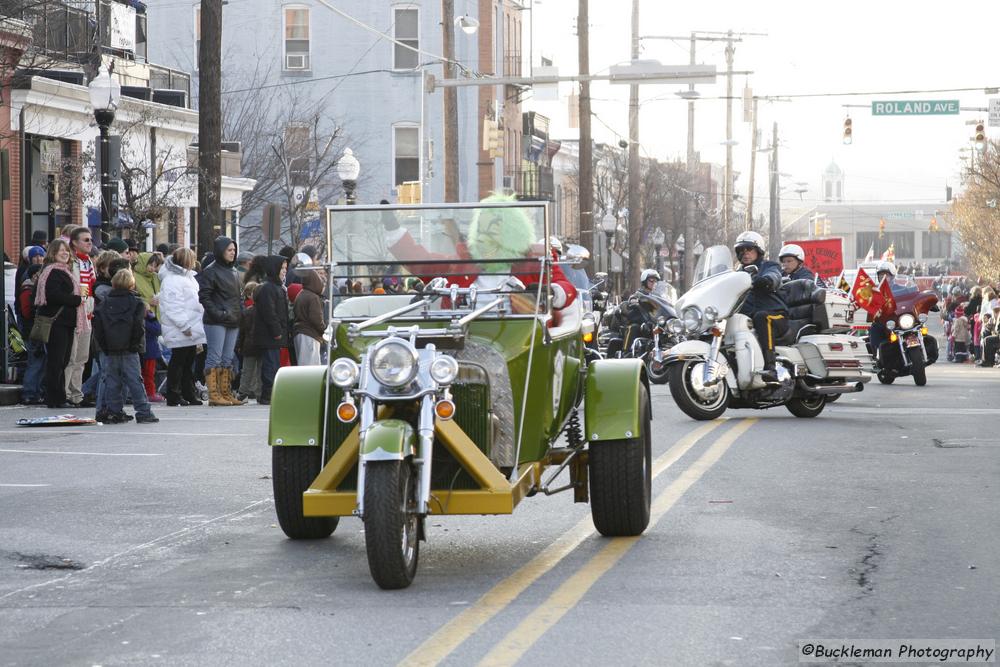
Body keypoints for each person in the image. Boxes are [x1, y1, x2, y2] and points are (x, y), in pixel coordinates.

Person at [92, 269, 158, 423]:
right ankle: (143, 412)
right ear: (131, 284)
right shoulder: (137, 303)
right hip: (129, 348)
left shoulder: (104, 304)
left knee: (112, 382)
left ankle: (114, 411)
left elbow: (99, 328)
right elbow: (138, 328)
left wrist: (104, 347)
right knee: (135, 381)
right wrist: (136, 345)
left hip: (110, 348)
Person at [34, 240, 84, 409]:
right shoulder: (53, 271)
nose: (65, 253)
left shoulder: (64, 271)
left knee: (62, 362)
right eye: (61, 250)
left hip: (66, 323)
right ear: (53, 253)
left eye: (67, 251)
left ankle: (59, 397)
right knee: (56, 362)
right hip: (57, 323)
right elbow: (53, 295)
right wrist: (76, 300)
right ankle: (55, 398)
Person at [735, 231, 787, 383]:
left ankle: (771, 368)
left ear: (758, 251)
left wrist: (766, 280)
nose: (745, 254)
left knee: (762, 317)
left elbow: (775, 275)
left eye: (749, 250)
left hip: (776, 315)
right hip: (749, 317)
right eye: (741, 251)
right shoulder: (737, 273)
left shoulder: (769, 266)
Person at [197, 236, 244, 406]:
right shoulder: (211, 270)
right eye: (229, 250)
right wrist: (218, 313)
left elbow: (239, 297)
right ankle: (214, 394)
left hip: (233, 319)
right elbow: (204, 296)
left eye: (234, 250)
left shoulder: (234, 271)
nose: (233, 253)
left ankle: (225, 392)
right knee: (214, 358)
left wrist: (240, 314)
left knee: (227, 359)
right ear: (220, 251)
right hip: (217, 320)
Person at [158, 247, 206, 406]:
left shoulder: (188, 278)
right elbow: (174, 306)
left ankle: (188, 393)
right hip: (181, 328)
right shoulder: (172, 280)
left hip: (191, 327)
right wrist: (184, 325)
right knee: (178, 362)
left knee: (187, 362)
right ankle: (174, 394)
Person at [64, 227, 96, 407]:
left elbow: (91, 286)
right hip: (74, 312)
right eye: (86, 240)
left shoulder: (88, 262)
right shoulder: (71, 261)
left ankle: (77, 394)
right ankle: (66, 393)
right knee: (71, 356)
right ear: (75, 242)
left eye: (90, 239)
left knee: (82, 357)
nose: (90, 243)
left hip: (87, 312)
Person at [253, 256, 289, 405]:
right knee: (270, 365)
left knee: (273, 365)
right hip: (270, 335)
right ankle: (267, 395)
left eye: (286, 269)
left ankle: (271, 393)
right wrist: (277, 331)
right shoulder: (268, 288)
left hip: (274, 334)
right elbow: (269, 312)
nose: (284, 272)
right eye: (282, 269)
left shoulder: (276, 287)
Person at [133, 252, 165, 402]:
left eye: (154, 265)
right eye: (150, 265)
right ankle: (146, 391)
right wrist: (148, 301)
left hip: (155, 319)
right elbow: (134, 297)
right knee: (145, 362)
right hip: (142, 321)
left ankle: (149, 390)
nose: (152, 268)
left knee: (150, 362)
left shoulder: (155, 278)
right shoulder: (134, 277)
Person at [18, 264, 46, 404]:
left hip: (36, 330)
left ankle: (35, 392)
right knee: (35, 363)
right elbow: (27, 312)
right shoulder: (28, 290)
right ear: (35, 275)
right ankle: (29, 393)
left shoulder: (32, 289)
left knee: (39, 363)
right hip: (32, 331)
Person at [293, 268, 326, 365]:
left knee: (303, 365)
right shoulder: (313, 297)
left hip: (299, 332)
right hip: (310, 334)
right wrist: (324, 331)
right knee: (310, 367)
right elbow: (316, 319)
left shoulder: (301, 294)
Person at [236, 282, 262, 402]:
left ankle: (243, 392)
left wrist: (239, 346)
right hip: (261, 345)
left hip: (248, 345)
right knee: (260, 371)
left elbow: (242, 332)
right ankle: (259, 393)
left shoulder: (247, 311)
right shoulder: (264, 312)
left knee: (247, 370)